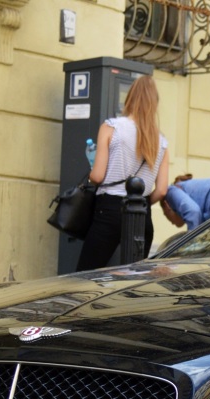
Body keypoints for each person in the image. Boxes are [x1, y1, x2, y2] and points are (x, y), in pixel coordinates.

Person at [76, 74, 170, 271]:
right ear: (155, 104)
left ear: (130, 98)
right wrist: (141, 201)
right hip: (142, 215)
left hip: (110, 210)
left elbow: (98, 176)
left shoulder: (112, 127)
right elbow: (161, 190)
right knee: (133, 282)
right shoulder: (161, 142)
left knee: (86, 275)